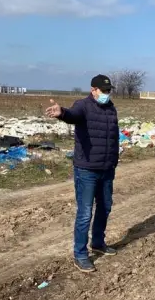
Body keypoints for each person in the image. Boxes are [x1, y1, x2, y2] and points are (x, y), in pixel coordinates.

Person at [45, 74, 119, 273]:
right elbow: (73, 115)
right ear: (93, 90)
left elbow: (113, 137)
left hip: (106, 169)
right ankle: (80, 254)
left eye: (108, 90)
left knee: (105, 207)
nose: (106, 94)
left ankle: (98, 243)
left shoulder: (111, 108)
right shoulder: (83, 105)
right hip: (86, 169)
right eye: (102, 91)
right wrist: (61, 113)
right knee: (85, 213)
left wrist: (113, 161)